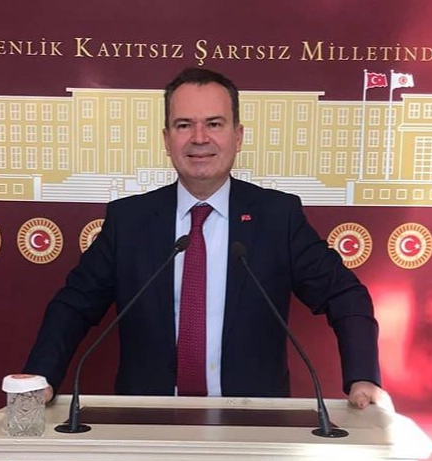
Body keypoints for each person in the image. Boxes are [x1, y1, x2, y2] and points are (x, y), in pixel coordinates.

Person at [23, 67, 390, 409]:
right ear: (167, 139)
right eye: (184, 125)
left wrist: (363, 377)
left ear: (238, 136)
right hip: (149, 421)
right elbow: (74, 305)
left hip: (252, 420)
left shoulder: (278, 217)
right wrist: (41, 375)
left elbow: (344, 294)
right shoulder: (129, 220)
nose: (199, 138)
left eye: (214, 123)